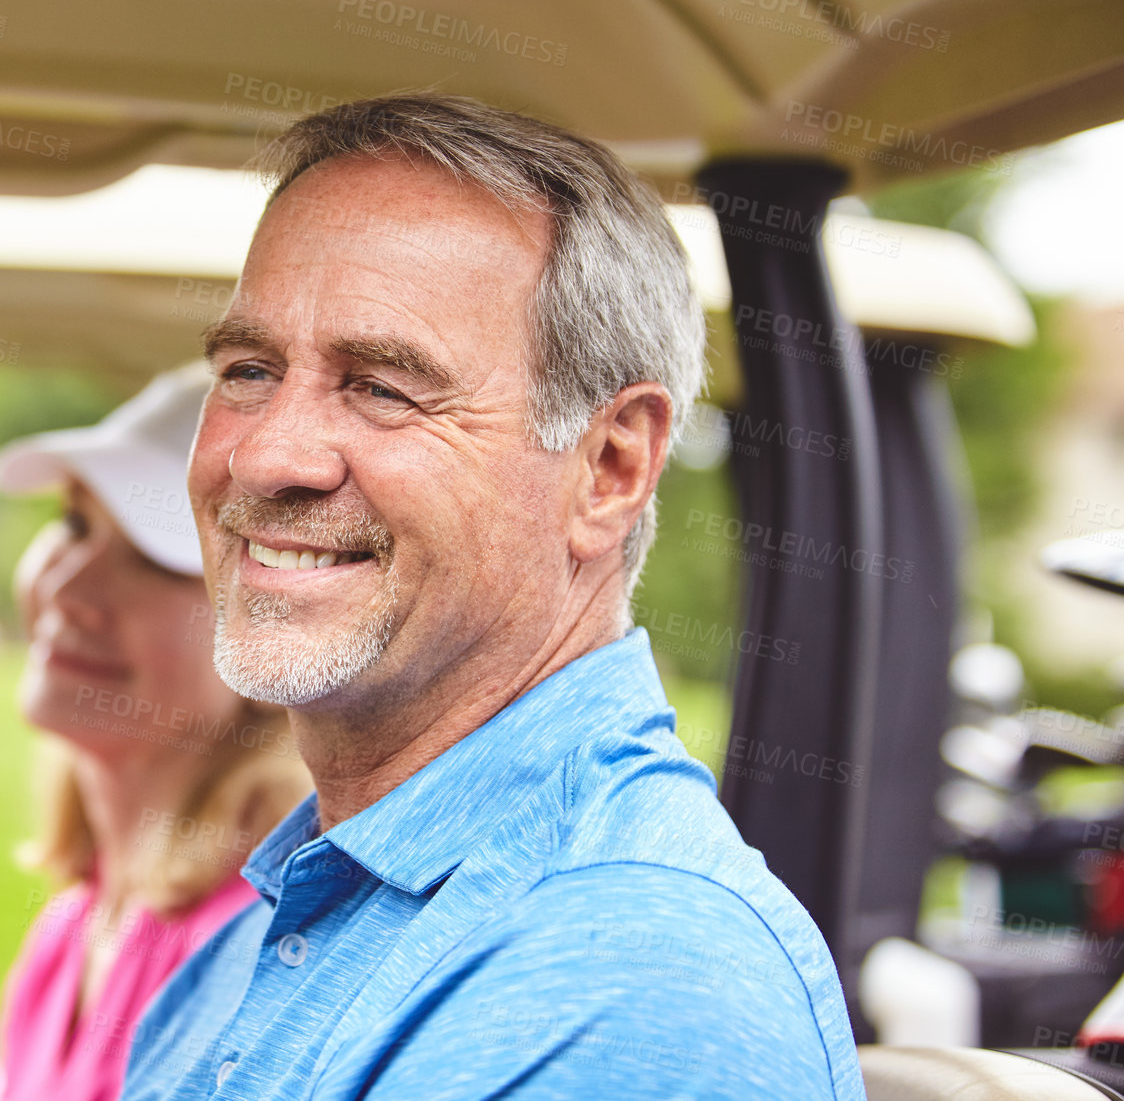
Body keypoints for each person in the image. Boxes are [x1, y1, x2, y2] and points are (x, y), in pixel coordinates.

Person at [119, 95, 866, 1099]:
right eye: (248, 369)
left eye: (381, 386)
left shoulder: (629, 979)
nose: (264, 455)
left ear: (607, 466)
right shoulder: (283, 921)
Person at [0, 363, 311, 1101]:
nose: (66, 588)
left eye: (153, 559)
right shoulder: (78, 919)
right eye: (74, 523)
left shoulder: (238, 955)